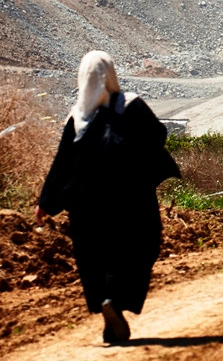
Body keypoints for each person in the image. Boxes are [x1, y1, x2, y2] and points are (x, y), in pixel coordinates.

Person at [36, 50, 180, 344]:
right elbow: (158, 135)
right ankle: (115, 301)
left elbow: (61, 163)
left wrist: (46, 202)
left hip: (84, 205)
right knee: (142, 245)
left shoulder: (77, 118)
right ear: (111, 75)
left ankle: (108, 314)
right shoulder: (129, 105)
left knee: (95, 256)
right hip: (131, 198)